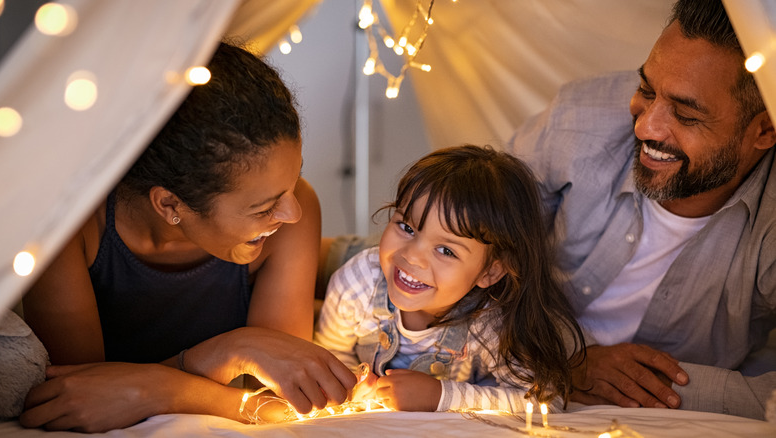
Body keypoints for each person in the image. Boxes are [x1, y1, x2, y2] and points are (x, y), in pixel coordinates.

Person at [18, 42, 356, 432]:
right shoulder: (65, 225)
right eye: (263, 208)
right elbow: (75, 397)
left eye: (295, 179)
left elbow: (283, 399)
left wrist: (154, 389)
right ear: (169, 205)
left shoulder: (295, 216)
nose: (291, 212)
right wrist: (230, 350)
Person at [508, 0, 776, 420]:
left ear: (765, 130)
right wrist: (568, 359)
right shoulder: (579, 118)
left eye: (686, 115)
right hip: (518, 387)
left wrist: (657, 391)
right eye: (647, 90)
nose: (644, 126)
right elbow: (470, 247)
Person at [315, 145, 585, 413]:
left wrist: (442, 396)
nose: (413, 257)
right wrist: (353, 385)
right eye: (407, 227)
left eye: (446, 250)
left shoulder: (490, 320)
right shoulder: (357, 282)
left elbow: (546, 400)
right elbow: (330, 360)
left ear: (490, 271)